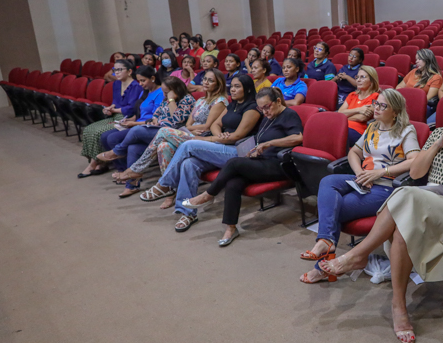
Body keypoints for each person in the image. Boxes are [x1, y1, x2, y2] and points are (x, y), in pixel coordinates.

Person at [319, 86, 443, 343]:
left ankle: (359, 254)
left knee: (407, 194)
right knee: (402, 229)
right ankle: (399, 306)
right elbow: (416, 174)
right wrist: (437, 144)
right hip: (427, 198)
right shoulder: (438, 134)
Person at [300, 89, 420, 282]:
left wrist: (380, 172)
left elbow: (415, 160)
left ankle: (323, 259)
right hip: (363, 180)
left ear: (396, 111)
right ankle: (326, 242)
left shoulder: (406, 130)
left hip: (387, 186)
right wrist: (360, 173)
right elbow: (353, 153)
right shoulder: (373, 126)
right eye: (376, 104)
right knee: (327, 181)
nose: (377, 108)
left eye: (383, 105)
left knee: (334, 207)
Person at [182, 87, 304, 246]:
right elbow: (260, 139)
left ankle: (208, 195)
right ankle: (230, 228)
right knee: (234, 183)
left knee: (233, 162)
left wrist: (269, 143)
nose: (264, 112)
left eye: (267, 107)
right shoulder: (268, 117)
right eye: (261, 108)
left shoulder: (289, 114)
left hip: (280, 165)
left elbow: (298, 137)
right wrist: (253, 151)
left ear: (278, 101)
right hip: (262, 161)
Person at [139, 75, 262, 232]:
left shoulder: (252, 108)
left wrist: (213, 139)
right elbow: (216, 124)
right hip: (221, 145)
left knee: (189, 145)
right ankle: (187, 213)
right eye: (232, 86)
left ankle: (165, 184)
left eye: (237, 86)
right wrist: (218, 135)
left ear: (248, 88)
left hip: (238, 152)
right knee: (188, 163)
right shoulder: (233, 105)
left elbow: (237, 136)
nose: (233, 89)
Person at [114, 69, 230, 184]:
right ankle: (169, 187)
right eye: (204, 79)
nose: (205, 82)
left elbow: (206, 127)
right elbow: (188, 124)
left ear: (219, 84)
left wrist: (190, 129)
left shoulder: (220, 101)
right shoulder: (200, 100)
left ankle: (135, 169)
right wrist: (191, 130)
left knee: (159, 131)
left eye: (210, 80)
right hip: (189, 133)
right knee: (163, 146)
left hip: (203, 137)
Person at [96, 76, 193, 195]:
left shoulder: (187, 99)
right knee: (133, 148)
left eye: (167, 92)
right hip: (158, 129)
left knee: (137, 130)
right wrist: (155, 119)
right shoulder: (166, 99)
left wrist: (172, 100)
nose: (165, 94)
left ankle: (118, 151)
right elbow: (157, 113)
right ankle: (132, 184)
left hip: (173, 133)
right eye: (164, 91)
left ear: (176, 89)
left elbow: (177, 119)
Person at [79, 59, 143, 177]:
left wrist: (115, 110)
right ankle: (99, 163)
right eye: (115, 70)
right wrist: (109, 108)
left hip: (127, 117)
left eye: (119, 70)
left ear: (129, 71)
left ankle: (95, 164)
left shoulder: (136, 86)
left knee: (99, 132)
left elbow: (131, 108)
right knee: (89, 129)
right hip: (115, 114)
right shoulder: (117, 84)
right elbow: (115, 101)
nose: (116, 73)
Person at [339, 66, 380, 147]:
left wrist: (345, 116)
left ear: (371, 81)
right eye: (357, 77)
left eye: (362, 77)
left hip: (357, 132)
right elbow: (340, 113)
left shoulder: (376, 97)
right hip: (341, 126)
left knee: (335, 134)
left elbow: (362, 118)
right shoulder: (352, 95)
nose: (358, 80)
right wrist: (359, 109)